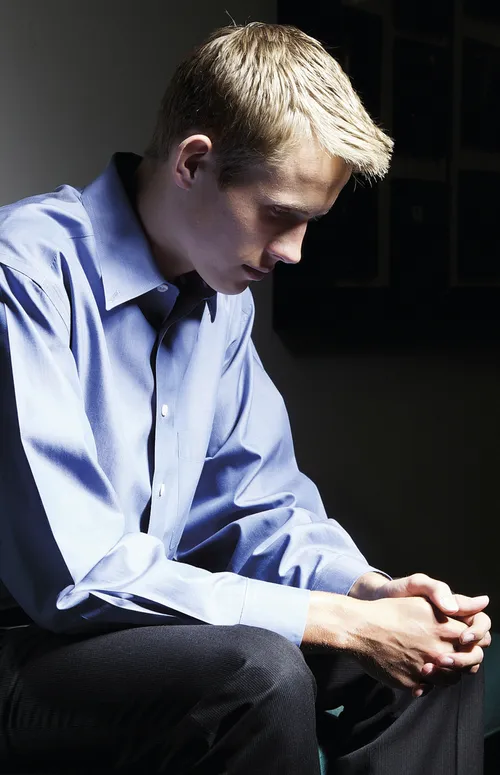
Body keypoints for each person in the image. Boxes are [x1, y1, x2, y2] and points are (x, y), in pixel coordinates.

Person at [0, 20, 491, 775]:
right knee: (258, 677)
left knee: (433, 656)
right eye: (278, 213)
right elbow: (79, 576)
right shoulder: (22, 275)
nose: (293, 250)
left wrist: (371, 591)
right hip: (26, 645)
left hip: (147, 632)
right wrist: (340, 623)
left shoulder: (222, 296)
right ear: (195, 163)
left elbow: (254, 509)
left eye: (308, 223)